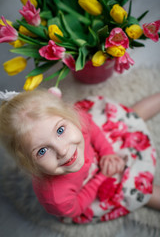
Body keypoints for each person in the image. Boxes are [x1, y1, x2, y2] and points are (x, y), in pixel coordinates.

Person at [0, 88, 160, 224]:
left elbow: (93, 130)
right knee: (137, 188)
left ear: (70, 116)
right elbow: (76, 208)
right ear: (27, 162)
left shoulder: (77, 121)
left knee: (126, 118)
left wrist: (107, 152)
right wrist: (101, 178)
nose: (62, 151)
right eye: (42, 151)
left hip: (96, 151)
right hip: (89, 187)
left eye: (60, 130)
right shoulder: (56, 197)